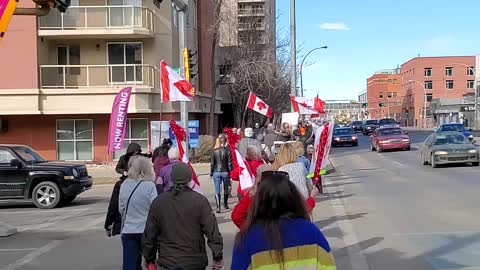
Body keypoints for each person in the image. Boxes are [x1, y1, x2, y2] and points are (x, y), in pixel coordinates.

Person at [231, 171, 335, 270]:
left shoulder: (246, 239)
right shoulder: (312, 232)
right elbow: (328, 266)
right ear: (293, 197)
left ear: (258, 201)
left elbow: (236, 216)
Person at [143, 163, 224, 270]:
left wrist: (149, 258)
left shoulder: (159, 202)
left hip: (168, 260)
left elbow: (150, 234)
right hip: (194, 260)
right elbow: (212, 231)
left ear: (171, 178)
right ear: (189, 179)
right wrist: (217, 255)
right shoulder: (200, 201)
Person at [231, 164, 318, 229]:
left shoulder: (254, 199)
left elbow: (237, 217)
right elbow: (302, 209)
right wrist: (312, 198)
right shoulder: (284, 193)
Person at [119, 156, 158, 270]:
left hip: (129, 230)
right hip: (146, 231)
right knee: (149, 263)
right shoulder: (150, 186)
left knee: (130, 265)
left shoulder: (124, 185)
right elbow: (154, 209)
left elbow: (121, 209)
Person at [105, 155, 140, 238]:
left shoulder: (121, 184)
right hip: (143, 226)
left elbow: (114, 206)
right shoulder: (148, 184)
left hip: (126, 225)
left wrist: (108, 224)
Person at [210, 134, 233, 213]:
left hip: (216, 171)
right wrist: (231, 172)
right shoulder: (228, 150)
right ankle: (225, 204)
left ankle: (218, 207)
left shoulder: (214, 151)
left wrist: (211, 172)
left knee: (217, 189)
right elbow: (230, 163)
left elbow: (212, 163)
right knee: (226, 189)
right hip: (225, 171)